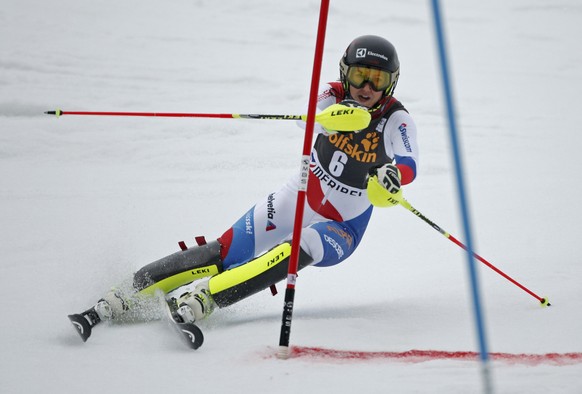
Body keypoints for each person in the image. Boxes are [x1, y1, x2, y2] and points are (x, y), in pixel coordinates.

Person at [70, 35, 419, 341]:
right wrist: (328, 119)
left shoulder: (396, 118)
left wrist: (395, 177)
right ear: (346, 72)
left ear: (390, 83)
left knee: (301, 246)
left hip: (343, 226)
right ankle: (124, 295)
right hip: (297, 197)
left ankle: (205, 299)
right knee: (226, 250)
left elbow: (409, 162)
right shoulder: (332, 92)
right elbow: (305, 117)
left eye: (377, 80)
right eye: (360, 76)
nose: (367, 88)